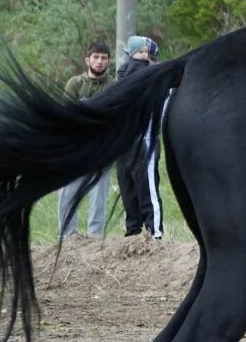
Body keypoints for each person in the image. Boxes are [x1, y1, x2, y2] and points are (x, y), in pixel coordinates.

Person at [57, 41, 114, 239]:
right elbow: (67, 115)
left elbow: (113, 116)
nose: (100, 62)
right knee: (68, 193)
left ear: (109, 61)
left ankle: (95, 237)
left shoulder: (113, 85)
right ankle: (67, 236)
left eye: (104, 58)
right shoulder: (75, 83)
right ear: (87, 60)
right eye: (96, 57)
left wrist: (86, 108)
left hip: (102, 148)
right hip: (76, 147)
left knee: (99, 196)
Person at [116, 36, 165, 240]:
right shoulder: (153, 74)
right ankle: (155, 234)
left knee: (128, 189)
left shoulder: (120, 76)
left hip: (123, 139)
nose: (147, 57)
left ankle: (133, 233)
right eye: (144, 52)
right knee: (148, 189)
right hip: (146, 137)